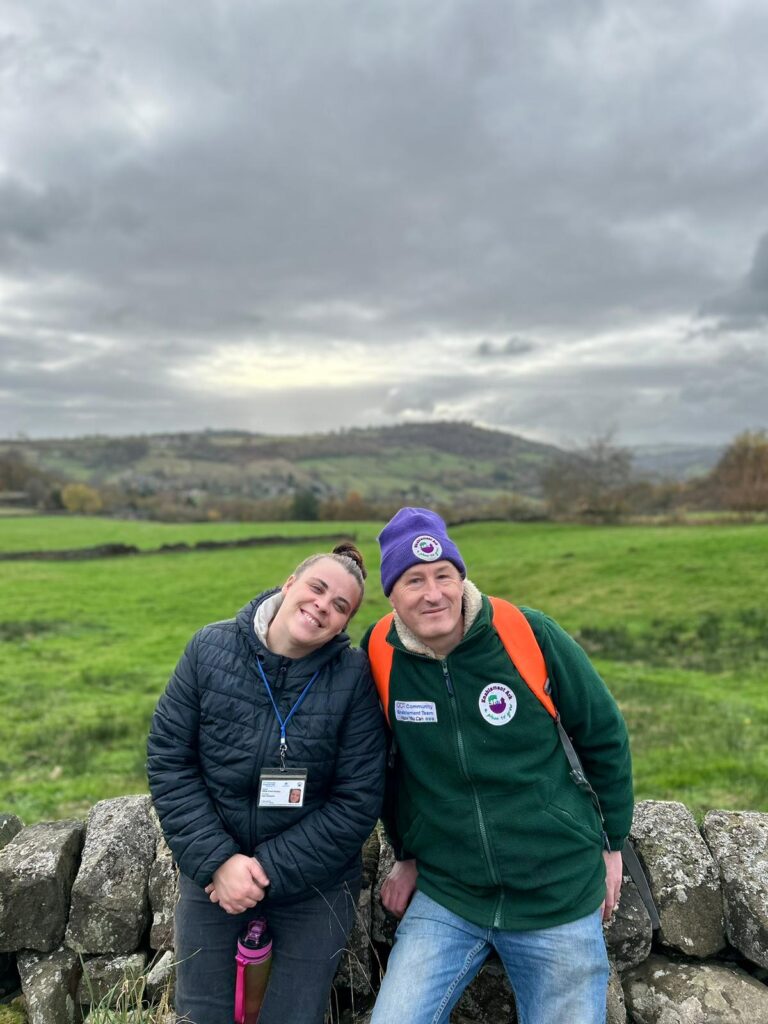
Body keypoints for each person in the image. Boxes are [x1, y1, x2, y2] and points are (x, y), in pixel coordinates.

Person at [363, 508, 633, 1024]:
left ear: (461, 577)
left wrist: (613, 842)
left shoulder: (525, 633)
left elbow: (604, 734)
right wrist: (406, 852)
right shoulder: (380, 652)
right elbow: (385, 767)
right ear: (391, 594)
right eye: (414, 580)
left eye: (444, 574)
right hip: (449, 895)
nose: (433, 593)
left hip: (557, 890)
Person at [147, 542, 386, 1024]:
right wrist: (218, 862)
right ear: (289, 585)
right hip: (214, 876)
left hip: (315, 881)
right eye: (317, 588)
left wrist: (264, 870)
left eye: (341, 606)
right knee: (201, 1015)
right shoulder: (208, 647)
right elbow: (170, 759)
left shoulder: (354, 675)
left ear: (344, 624)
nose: (323, 606)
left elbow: (357, 799)